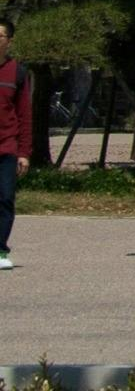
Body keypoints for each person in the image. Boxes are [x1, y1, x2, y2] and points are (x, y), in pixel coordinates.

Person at [0, 16, 34, 271]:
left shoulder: (18, 72)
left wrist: (24, 152)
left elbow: (24, 115)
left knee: (4, 198)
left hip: (7, 147)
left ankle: (0, 249)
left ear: (9, 41)